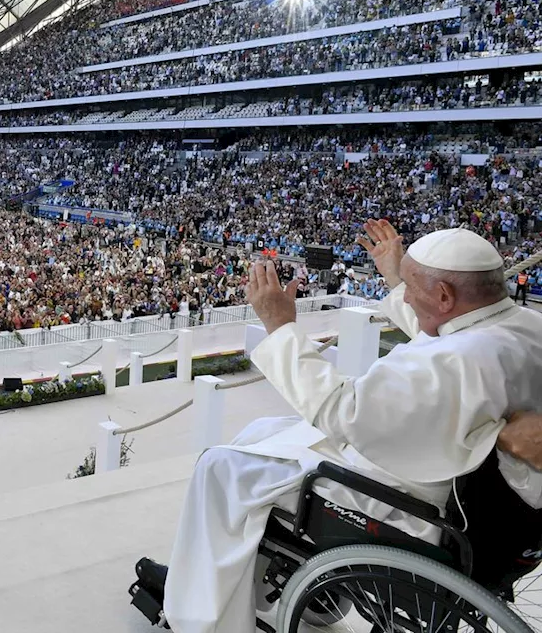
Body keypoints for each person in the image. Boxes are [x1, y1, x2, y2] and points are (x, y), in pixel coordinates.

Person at [134, 222, 543, 633]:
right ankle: (226, 584)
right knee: (263, 432)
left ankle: (202, 618)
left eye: (411, 285)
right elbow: (437, 325)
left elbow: (339, 410)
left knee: (219, 468)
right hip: (479, 507)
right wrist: (394, 275)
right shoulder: (522, 326)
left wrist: (280, 326)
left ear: (444, 295)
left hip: (411, 501)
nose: (405, 294)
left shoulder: (456, 361)